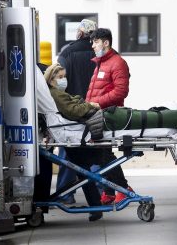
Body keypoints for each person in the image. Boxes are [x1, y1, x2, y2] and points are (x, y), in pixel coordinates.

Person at [44, 63, 103, 222]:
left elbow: (72, 106)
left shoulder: (55, 93)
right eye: (60, 77)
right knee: (85, 170)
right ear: (51, 79)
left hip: (71, 134)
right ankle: (95, 205)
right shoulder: (57, 94)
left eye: (65, 76)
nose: (64, 80)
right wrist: (89, 105)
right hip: (73, 135)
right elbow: (73, 111)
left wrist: (80, 101)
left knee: (83, 171)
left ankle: (95, 205)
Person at [86, 28, 133, 204]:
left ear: (106, 43)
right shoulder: (101, 63)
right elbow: (95, 90)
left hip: (109, 114)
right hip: (97, 114)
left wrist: (98, 103)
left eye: (95, 42)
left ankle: (123, 188)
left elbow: (121, 91)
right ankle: (110, 191)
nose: (92, 45)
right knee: (101, 154)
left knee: (105, 154)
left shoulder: (117, 62)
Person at [55, 19, 97, 204]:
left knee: (68, 151)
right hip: (97, 109)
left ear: (79, 33)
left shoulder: (67, 52)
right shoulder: (101, 52)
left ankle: (65, 194)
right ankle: (102, 190)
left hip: (71, 110)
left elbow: (58, 82)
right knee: (98, 149)